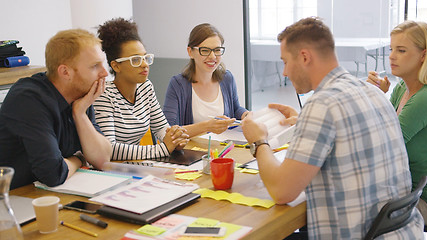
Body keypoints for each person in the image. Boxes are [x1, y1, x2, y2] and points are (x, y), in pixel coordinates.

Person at [241, 17, 423, 239]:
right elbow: (345, 134)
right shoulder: (371, 92)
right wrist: (303, 120)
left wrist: (259, 141)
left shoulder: (322, 105)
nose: (285, 73)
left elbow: (282, 191)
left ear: (305, 57)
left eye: (286, 62)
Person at [367, 20, 427, 226]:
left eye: (401, 50)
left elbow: (384, 144)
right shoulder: (401, 89)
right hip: (412, 191)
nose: (391, 56)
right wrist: (378, 95)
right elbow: (382, 127)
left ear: (423, 55)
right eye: (392, 49)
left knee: (360, 215)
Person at [0, 29, 112, 189]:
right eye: (95, 66)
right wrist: (79, 159)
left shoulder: (80, 96)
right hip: (14, 200)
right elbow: (53, 173)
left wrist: (79, 113)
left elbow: (103, 160)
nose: (104, 73)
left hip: (48, 193)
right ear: (65, 72)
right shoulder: (28, 99)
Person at [94, 18, 189, 161]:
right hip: (112, 170)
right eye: (136, 60)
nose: (144, 64)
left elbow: (161, 128)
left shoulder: (146, 87)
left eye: (145, 57)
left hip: (136, 165)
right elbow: (110, 149)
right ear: (116, 66)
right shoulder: (104, 95)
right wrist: (162, 148)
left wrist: (175, 139)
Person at [163, 23, 249, 137]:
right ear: (190, 52)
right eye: (205, 50)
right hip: (192, 152)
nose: (212, 56)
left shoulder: (227, 78)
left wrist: (246, 114)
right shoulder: (178, 84)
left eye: (217, 50)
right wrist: (207, 126)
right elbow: (169, 130)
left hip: (222, 150)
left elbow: (236, 108)